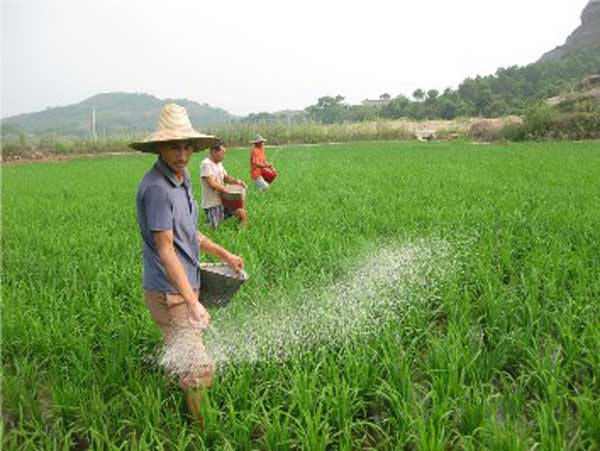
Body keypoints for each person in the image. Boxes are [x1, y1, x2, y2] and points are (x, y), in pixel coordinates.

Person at [130, 103, 244, 429]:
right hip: (171, 292)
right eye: (172, 146)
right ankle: (203, 432)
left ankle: (173, 389)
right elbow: (166, 250)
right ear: (159, 147)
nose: (181, 153)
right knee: (199, 370)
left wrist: (224, 254)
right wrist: (192, 303)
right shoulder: (156, 188)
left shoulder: (182, 180)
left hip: (185, 284)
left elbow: (188, 232)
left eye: (186, 146)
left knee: (182, 351)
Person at [200, 142, 248, 228]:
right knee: (215, 227)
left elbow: (226, 178)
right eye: (222, 153)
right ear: (214, 152)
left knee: (242, 213)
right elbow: (212, 183)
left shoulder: (219, 164)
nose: (224, 156)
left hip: (225, 199)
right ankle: (201, 227)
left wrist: (237, 182)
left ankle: (240, 231)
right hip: (213, 202)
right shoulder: (206, 164)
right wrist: (227, 189)